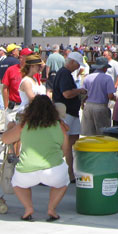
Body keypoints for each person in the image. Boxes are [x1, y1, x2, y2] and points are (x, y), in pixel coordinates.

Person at [1, 95, 69, 222]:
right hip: (53, 170)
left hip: (27, 171)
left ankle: (28, 208)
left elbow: (5, 139)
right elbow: (65, 151)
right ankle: (51, 209)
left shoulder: (24, 125)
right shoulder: (60, 126)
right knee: (63, 182)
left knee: (18, 184)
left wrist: (10, 128)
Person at [52, 51, 87, 181]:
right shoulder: (64, 73)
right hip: (66, 113)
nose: (78, 67)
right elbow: (66, 94)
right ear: (71, 62)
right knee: (64, 144)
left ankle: (70, 172)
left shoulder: (65, 73)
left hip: (71, 112)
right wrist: (79, 91)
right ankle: (61, 171)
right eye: (77, 65)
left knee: (72, 142)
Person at [80, 57, 117, 136]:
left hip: (88, 106)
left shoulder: (88, 77)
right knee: (102, 134)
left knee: (89, 134)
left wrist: (82, 103)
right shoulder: (107, 78)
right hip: (100, 106)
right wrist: (117, 99)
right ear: (104, 68)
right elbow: (110, 96)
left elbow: (83, 93)